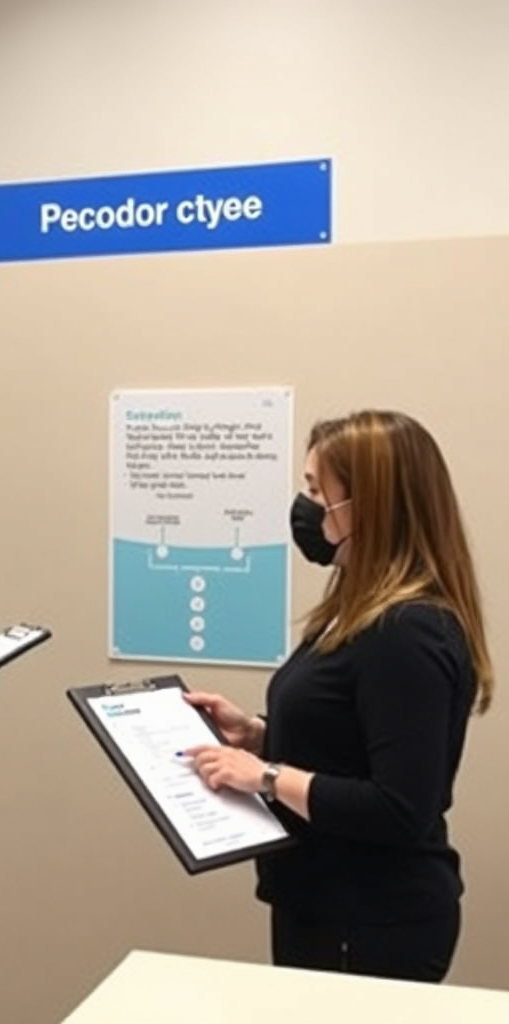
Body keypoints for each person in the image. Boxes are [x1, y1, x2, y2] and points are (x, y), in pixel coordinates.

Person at [183, 410, 493, 983]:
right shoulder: (356, 608)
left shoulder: (407, 631)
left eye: (314, 490)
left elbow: (400, 807)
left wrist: (265, 776)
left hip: (372, 920)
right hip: (323, 903)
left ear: (370, 504)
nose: (303, 508)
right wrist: (258, 734)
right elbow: (349, 743)